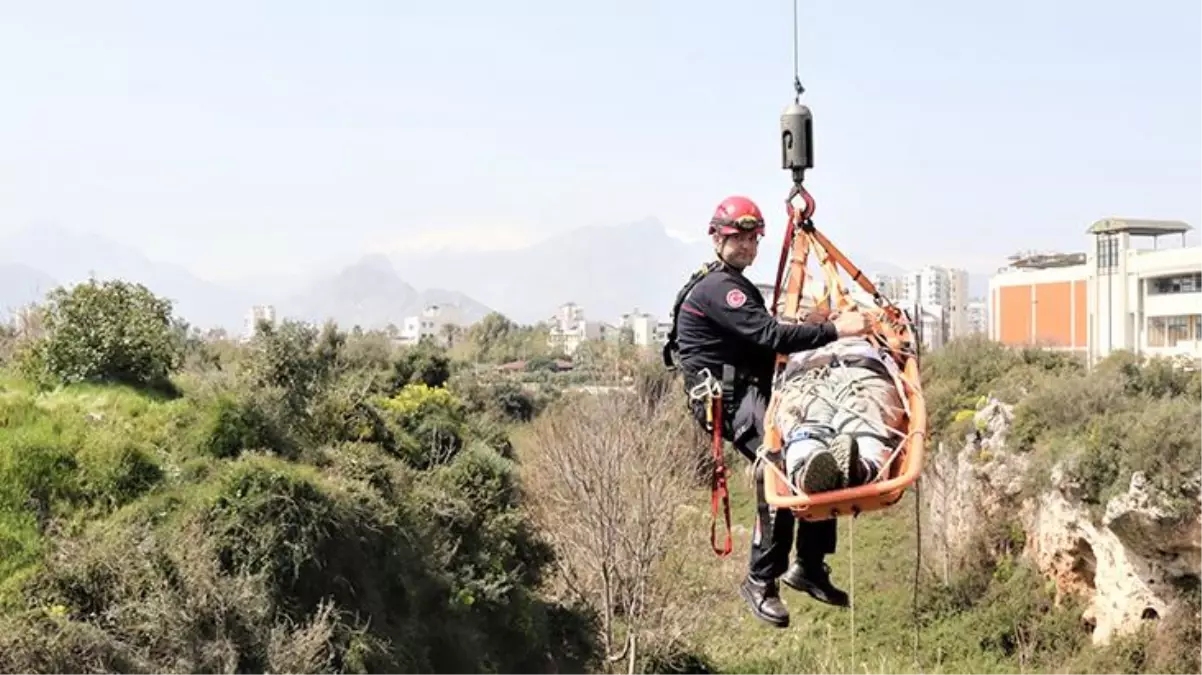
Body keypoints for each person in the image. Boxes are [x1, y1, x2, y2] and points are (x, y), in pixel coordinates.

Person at [665, 195, 870, 628]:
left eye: (753, 237)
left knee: (820, 457)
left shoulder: (730, 284)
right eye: (737, 236)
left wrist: (813, 321)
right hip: (733, 401)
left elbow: (767, 331)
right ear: (717, 237)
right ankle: (761, 580)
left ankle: (810, 566)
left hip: (752, 390)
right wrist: (836, 329)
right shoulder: (722, 289)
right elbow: (771, 335)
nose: (746, 245)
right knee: (783, 468)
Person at [770, 313, 909, 495]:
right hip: (808, 377)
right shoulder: (793, 333)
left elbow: (893, 342)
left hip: (859, 368)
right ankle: (812, 470)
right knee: (808, 414)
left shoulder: (862, 325)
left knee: (862, 409)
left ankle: (859, 468)